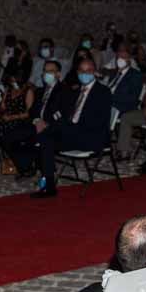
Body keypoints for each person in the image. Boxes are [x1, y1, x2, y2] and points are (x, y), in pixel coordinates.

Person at [31, 58, 113, 199]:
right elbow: (65, 115)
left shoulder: (103, 92)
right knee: (46, 138)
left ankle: (43, 170)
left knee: (47, 136)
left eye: (88, 71)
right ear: (77, 72)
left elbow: (98, 121)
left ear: (94, 72)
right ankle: (49, 186)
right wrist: (54, 126)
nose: (84, 73)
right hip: (74, 133)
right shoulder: (74, 92)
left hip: (92, 136)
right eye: (81, 71)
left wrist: (68, 127)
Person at [4, 59, 75, 176]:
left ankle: (41, 166)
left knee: (36, 139)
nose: (46, 74)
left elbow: (64, 114)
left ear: (58, 74)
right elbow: (32, 111)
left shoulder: (65, 91)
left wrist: (47, 124)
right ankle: (26, 167)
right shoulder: (40, 91)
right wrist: (37, 120)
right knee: (8, 136)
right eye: (45, 71)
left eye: (51, 71)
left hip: (53, 127)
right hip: (36, 124)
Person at [104, 44, 144, 119]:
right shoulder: (114, 73)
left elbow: (132, 98)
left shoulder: (135, 75)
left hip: (122, 107)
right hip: (108, 103)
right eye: (118, 57)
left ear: (129, 60)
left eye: (123, 57)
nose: (120, 60)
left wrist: (109, 97)